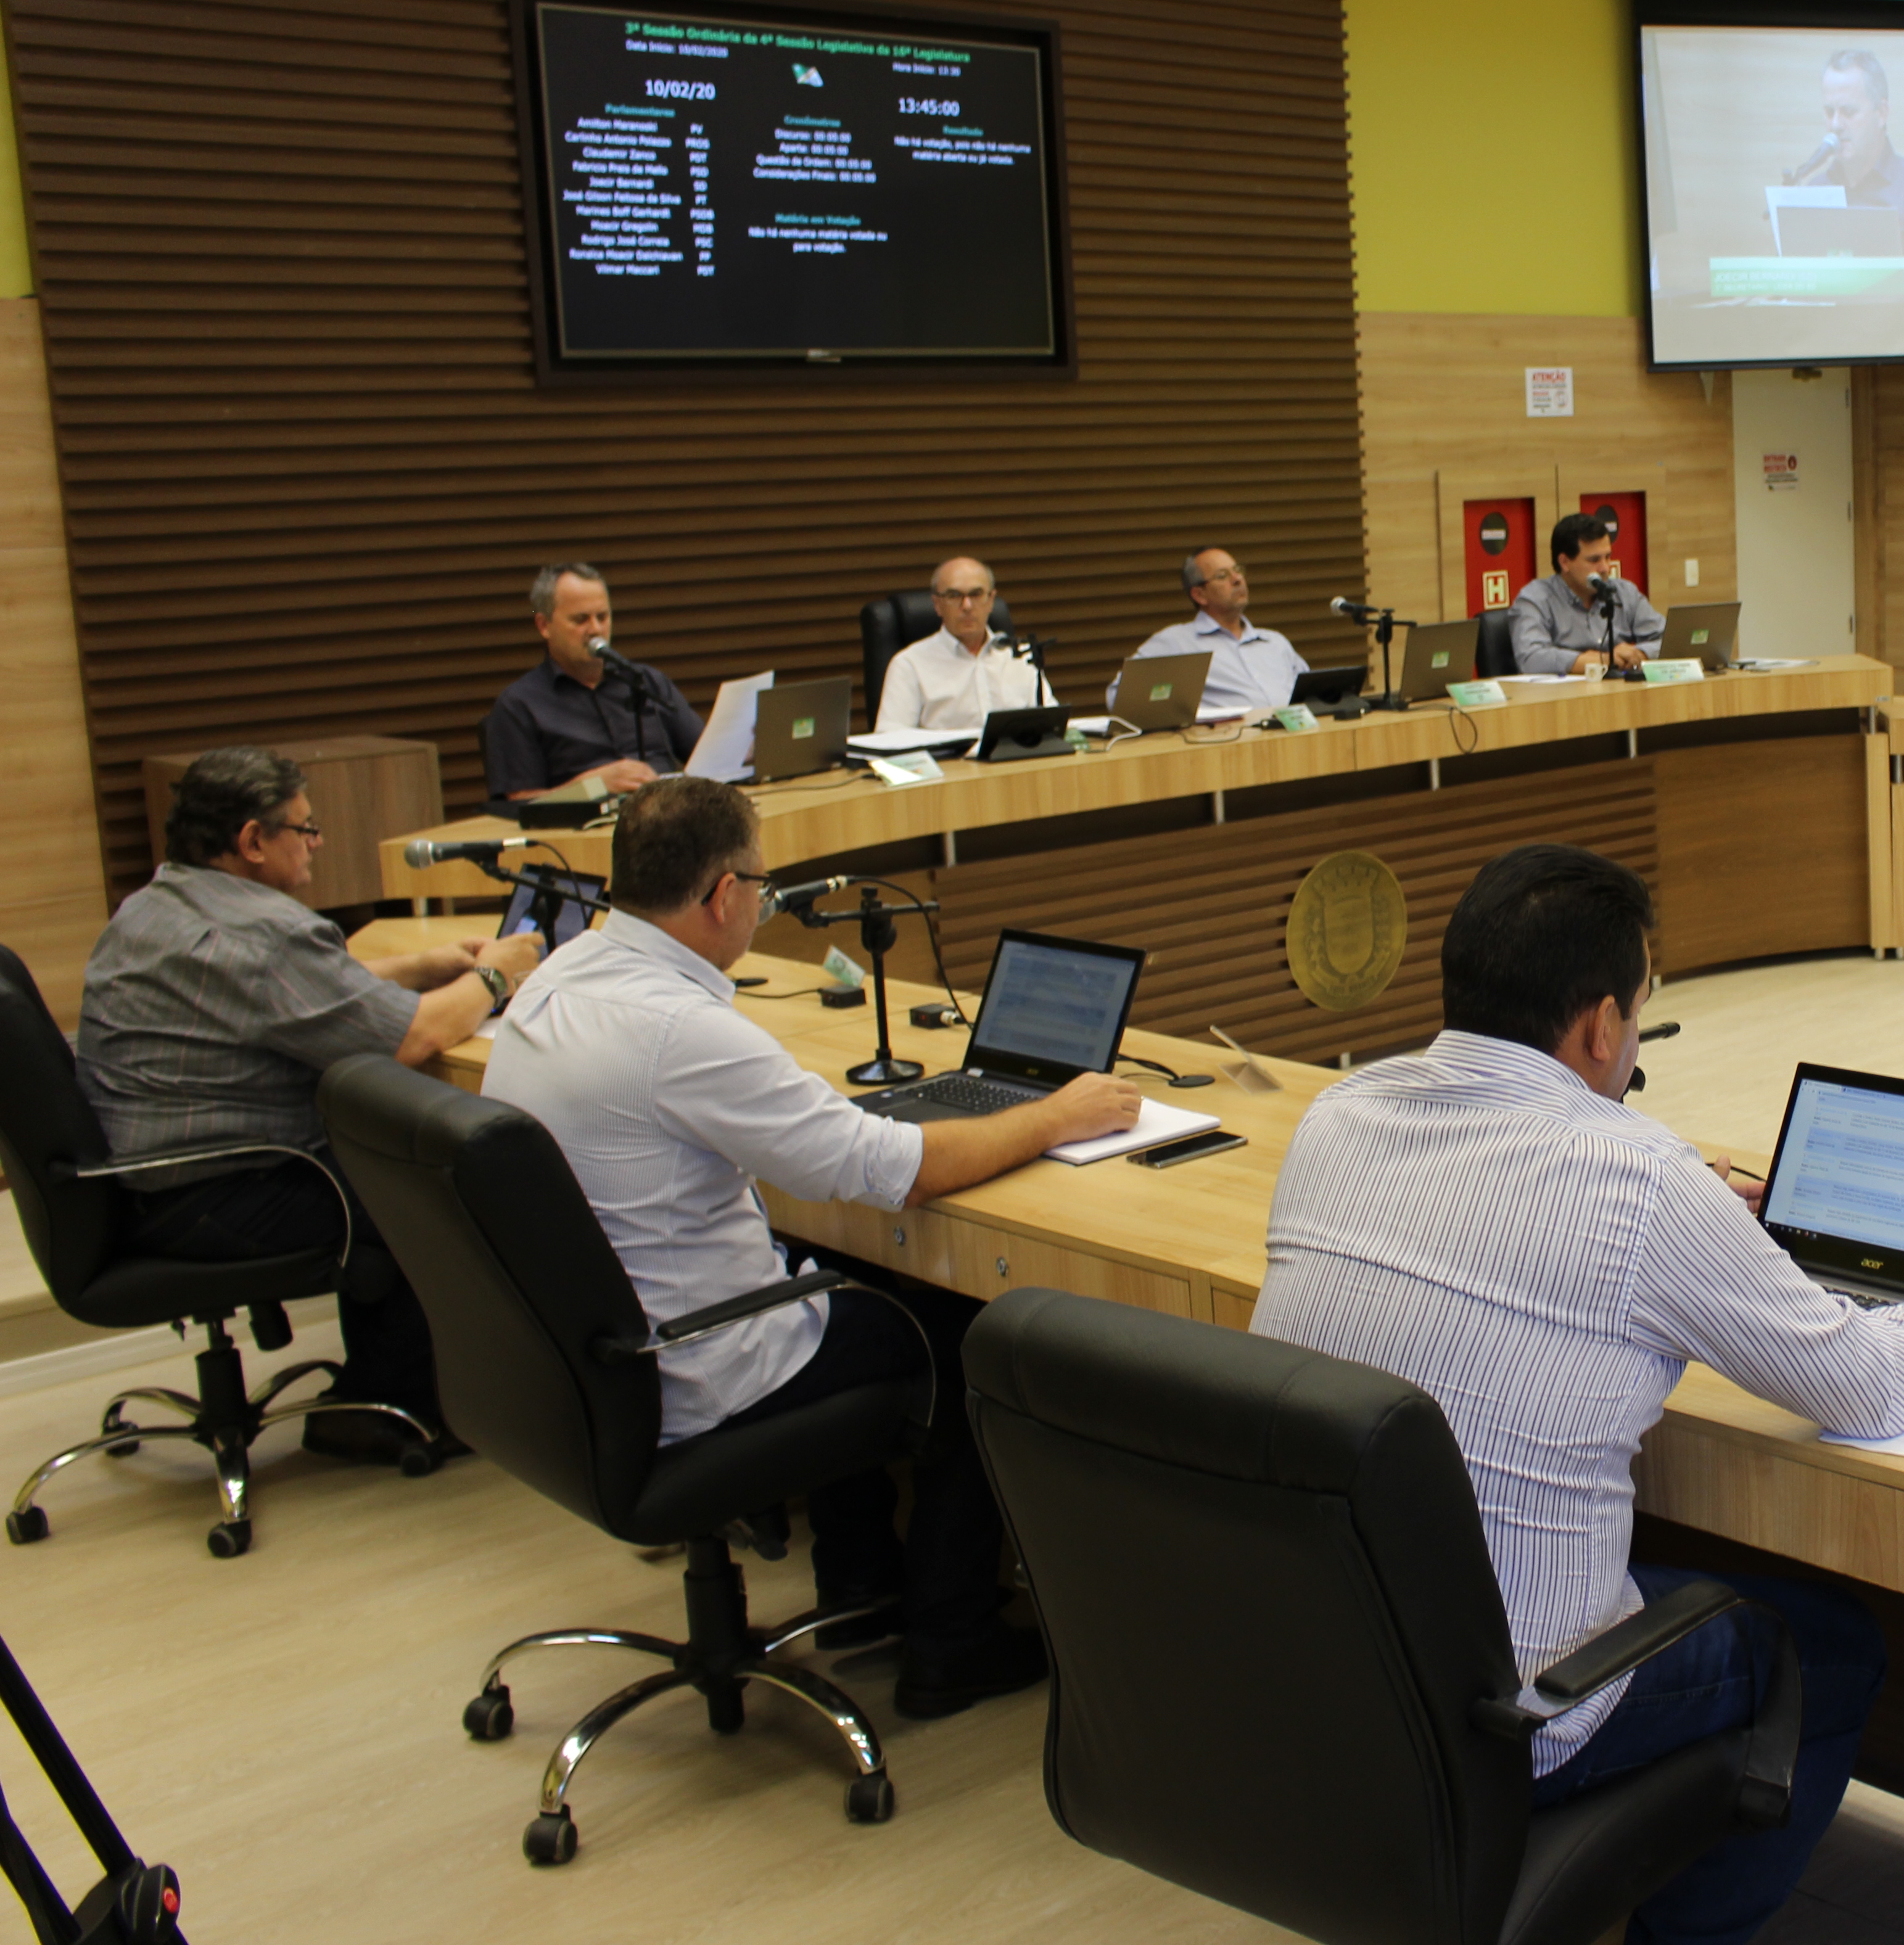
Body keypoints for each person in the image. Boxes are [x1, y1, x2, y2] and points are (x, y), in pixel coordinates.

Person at [1254, 843, 1904, 1945]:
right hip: (1512, 1712)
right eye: (1638, 1018)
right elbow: (1870, 1383)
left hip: (1327, 1664)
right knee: (1825, 1648)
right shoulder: (1638, 1178)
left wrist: (1699, 1221)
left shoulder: (1337, 1116)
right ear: (1596, 1027)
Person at [480, 775, 1143, 1717]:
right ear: (723, 895)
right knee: (970, 1334)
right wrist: (1053, 1117)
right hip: (694, 1368)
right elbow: (890, 1167)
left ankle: (860, 1592)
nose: (762, 899)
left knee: (861, 1277)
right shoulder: (682, 1029)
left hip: (590, 1364)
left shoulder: (559, 979)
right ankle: (950, 1637)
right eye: (761, 881)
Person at [75, 747, 543, 1459]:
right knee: (428, 1184)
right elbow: (412, 1039)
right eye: (305, 828)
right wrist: (495, 974)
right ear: (253, 842)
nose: (316, 842)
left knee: (381, 1151)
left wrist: (427, 964)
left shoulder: (157, 903)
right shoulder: (263, 934)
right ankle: (389, 1404)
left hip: (147, 1182)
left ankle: (386, 1388)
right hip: (217, 1190)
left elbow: (294, 986)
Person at [481, 562, 704, 804]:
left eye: (602, 617)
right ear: (544, 626)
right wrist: (594, 786)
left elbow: (708, 759)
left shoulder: (646, 682)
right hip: (583, 833)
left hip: (667, 819)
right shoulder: (519, 705)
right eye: (581, 620)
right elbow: (519, 805)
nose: (596, 629)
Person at [1792, 48, 1904, 295]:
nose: (1836, 125)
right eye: (1830, 113)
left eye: (1848, 112)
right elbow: (1794, 287)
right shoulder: (1816, 190)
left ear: (1881, 114)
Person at [1106, 546, 1309, 717]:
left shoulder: (1275, 642)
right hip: (1228, 751)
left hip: (1295, 745)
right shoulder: (1177, 642)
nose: (1238, 579)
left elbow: (1315, 698)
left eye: (1237, 570)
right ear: (1200, 595)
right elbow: (1119, 697)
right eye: (1223, 576)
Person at [874, 556, 1046, 733]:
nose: (967, 606)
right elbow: (890, 737)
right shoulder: (909, 665)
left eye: (976, 594)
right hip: (946, 760)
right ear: (937, 605)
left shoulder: (1019, 656)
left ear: (991, 600)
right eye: (954, 596)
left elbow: (1050, 721)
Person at [1511, 514, 1669, 676]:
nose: (1605, 568)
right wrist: (1601, 661)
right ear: (1565, 562)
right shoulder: (1535, 599)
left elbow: (1670, 639)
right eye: (1594, 560)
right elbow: (1531, 659)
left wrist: (1641, 653)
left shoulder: (1624, 592)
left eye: (1607, 557)